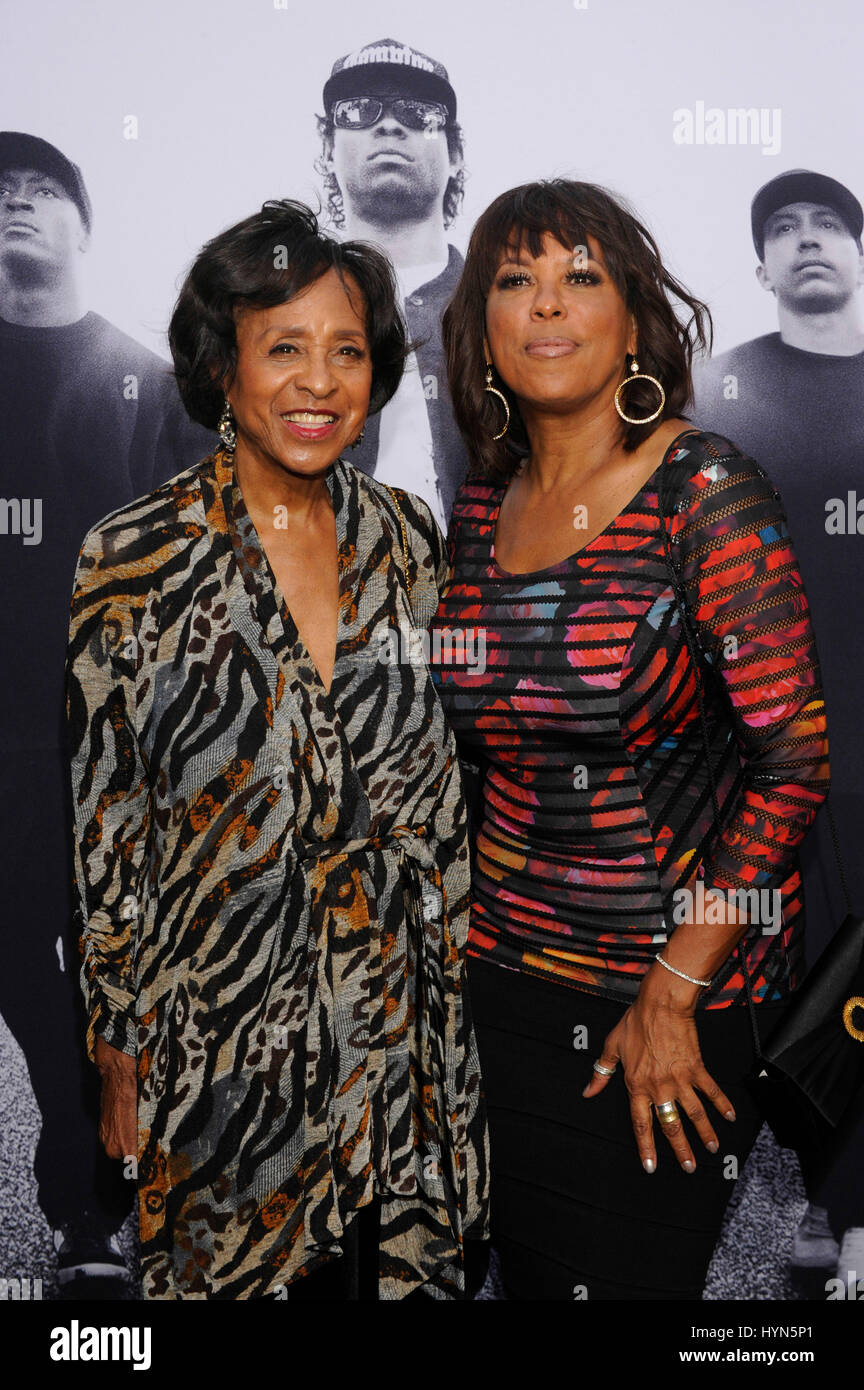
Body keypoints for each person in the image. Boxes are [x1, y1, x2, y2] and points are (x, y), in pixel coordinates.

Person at [65, 198, 489, 1300]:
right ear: (222, 367)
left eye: (347, 352)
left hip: (400, 1024)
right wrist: (117, 1041)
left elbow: (442, 776)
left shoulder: (410, 540)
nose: (318, 381)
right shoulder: (132, 557)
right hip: (219, 1034)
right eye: (283, 347)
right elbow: (106, 817)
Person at [430, 179, 830, 1300]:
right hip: (497, 984)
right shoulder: (481, 505)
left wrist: (669, 992)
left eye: (580, 278)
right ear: (483, 327)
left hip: (667, 1005)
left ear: (634, 320)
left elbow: (793, 766)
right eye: (516, 281)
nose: (547, 307)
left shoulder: (706, 490)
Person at [0, 130, 215, 1292]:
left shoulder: (144, 380)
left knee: (116, 976)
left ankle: (99, 1207)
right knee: (26, 981)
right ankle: (86, 1153)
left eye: (42, 191)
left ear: (84, 223)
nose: (18, 205)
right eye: (1, 192)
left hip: (110, 747)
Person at [692, 169, 864, 1291]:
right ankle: (766, 1229)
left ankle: (853, 1229)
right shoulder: (723, 385)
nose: (806, 241)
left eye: (829, 224)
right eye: (782, 230)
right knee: (787, 984)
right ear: (760, 267)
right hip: (770, 747)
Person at [316, 37, 469, 531]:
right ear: (327, 148)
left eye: (417, 112)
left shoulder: (512, 308)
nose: (388, 124)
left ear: (456, 153)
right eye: (359, 110)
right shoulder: (271, 310)